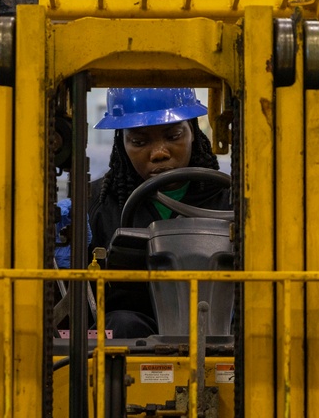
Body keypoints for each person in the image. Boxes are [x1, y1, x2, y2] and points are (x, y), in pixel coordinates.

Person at [89, 87, 231, 338]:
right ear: (122, 144)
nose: (159, 153)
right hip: (130, 345)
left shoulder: (233, 200)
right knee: (120, 324)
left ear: (193, 133)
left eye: (173, 136)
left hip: (220, 332)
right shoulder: (96, 203)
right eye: (140, 142)